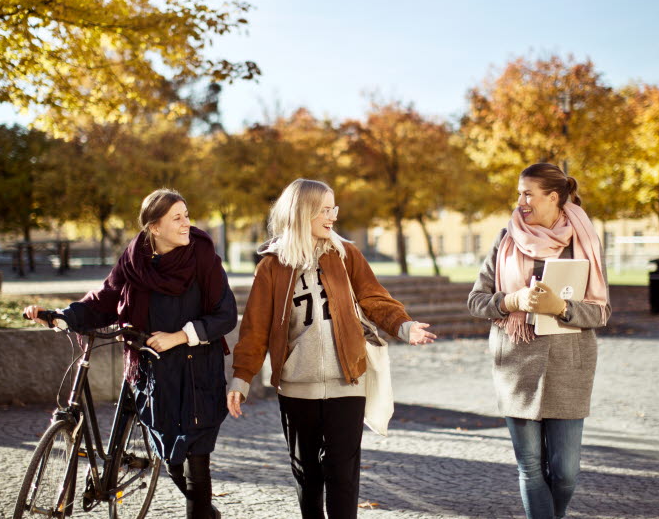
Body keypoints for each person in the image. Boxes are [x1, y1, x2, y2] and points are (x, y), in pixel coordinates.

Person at [227, 178, 436, 519]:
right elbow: (255, 327)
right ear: (302, 212)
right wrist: (241, 377)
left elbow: (374, 297)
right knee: (307, 474)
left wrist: (404, 325)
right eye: (324, 209)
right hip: (297, 388)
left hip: (347, 381)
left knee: (342, 473)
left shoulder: (346, 254)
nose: (332, 216)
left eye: (333, 208)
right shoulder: (272, 266)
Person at [24, 189, 236, 519]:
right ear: (154, 227)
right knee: (172, 460)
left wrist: (179, 336)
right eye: (176, 218)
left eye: (186, 215)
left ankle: (202, 512)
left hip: (196, 374)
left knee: (196, 465)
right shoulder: (134, 259)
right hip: (152, 374)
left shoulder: (203, 257)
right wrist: (61, 315)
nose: (186, 224)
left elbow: (225, 315)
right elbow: (104, 299)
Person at [467, 163, 610, 519]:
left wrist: (561, 307)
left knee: (564, 474)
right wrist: (510, 301)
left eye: (528, 193)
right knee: (530, 468)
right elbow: (476, 301)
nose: (521, 201)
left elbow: (602, 312)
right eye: (519, 193)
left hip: (569, 368)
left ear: (553, 197)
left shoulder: (584, 241)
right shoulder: (505, 239)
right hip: (516, 364)